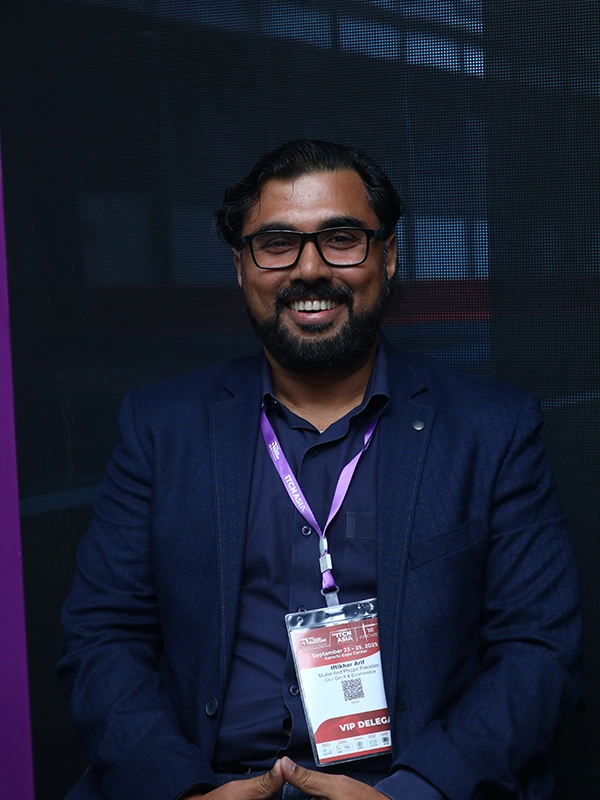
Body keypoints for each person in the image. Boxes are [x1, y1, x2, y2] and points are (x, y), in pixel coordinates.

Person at [59, 140, 583, 800]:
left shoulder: (492, 429)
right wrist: (182, 790)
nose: (309, 269)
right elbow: (102, 636)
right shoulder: (161, 427)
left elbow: (539, 648)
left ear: (388, 256)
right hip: (205, 780)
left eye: (341, 239)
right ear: (241, 267)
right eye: (276, 243)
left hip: (407, 783)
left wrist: (414, 792)